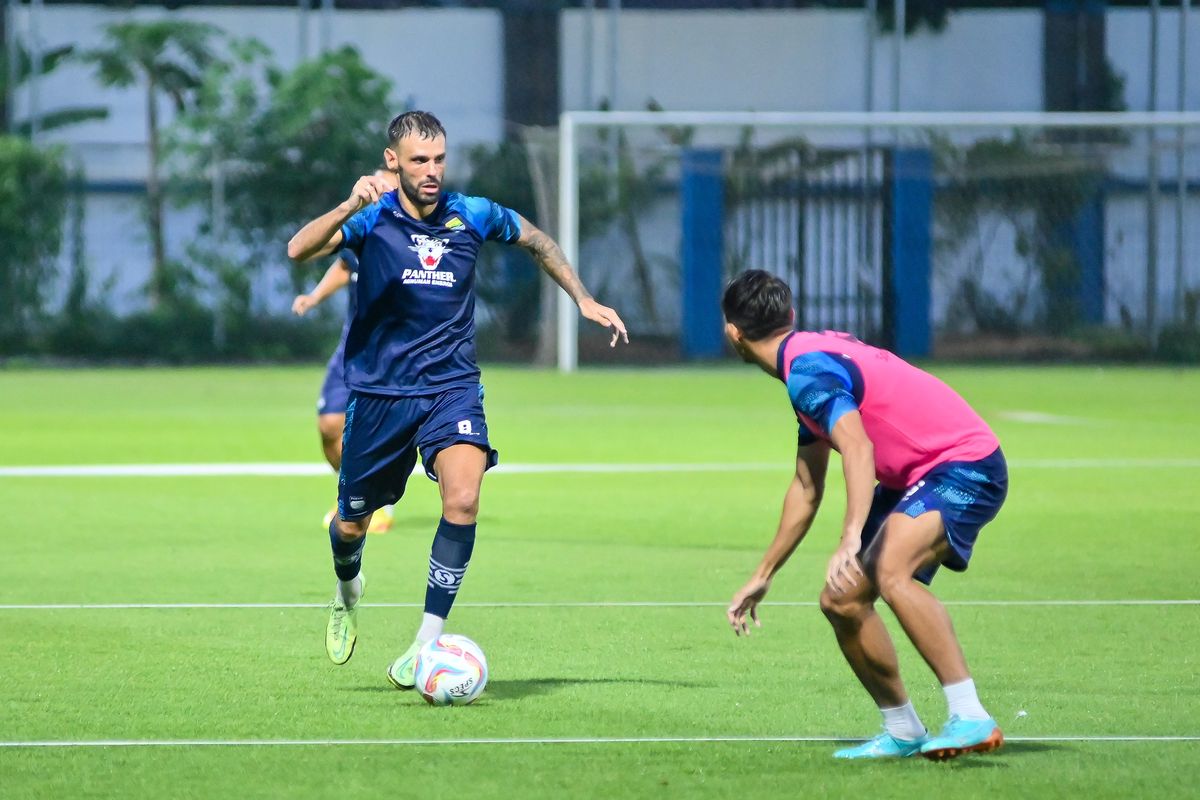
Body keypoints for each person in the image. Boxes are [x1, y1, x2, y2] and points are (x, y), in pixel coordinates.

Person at [287, 110, 628, 684]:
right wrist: (349, 204)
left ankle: (426, 642)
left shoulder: (471, 214)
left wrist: (583, 300)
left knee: (464, 501)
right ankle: (347, 589)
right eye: (420, 160)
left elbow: (537, 240)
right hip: (380, 394)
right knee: (351, 525)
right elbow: (299, 249)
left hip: (452, 387)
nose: (432, 171)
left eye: (440, 159)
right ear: (393, 161)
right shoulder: (373, 217)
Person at [721, 269, 1007, 761]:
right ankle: (903, 728)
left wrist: (852, 535)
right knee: (841, 600)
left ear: (733, 333)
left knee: (892, 573)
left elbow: (857, 447)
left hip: (963, 466)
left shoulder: (808, 371)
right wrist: (763, 573)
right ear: (790, 317)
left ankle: (971, 715)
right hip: (916, 478)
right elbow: (807, 485)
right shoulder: (804, 365)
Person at [291, 170, 399, 535]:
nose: (382, 190)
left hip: (389, 355)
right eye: (378, 184)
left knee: (372, 435)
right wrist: (314, 297)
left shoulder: (413, 239)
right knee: (328, 427)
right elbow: (341, 266)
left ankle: (375, 505)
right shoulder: (363, 231)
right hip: (351, 349)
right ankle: (352, 495)